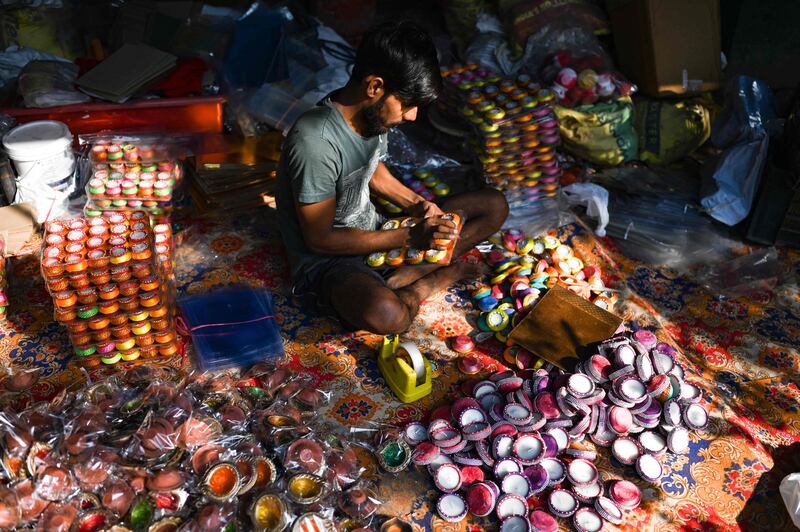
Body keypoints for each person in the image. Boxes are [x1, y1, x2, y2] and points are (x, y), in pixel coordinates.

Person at [276, 21, 508, 334]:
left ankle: (411, 268)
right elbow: (320, 239)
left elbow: (371, 169)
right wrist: (410, 239)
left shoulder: (368, 115)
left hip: (375, 230)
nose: (412, 116)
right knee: (387, 315)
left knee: (494, 205)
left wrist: (417, 205)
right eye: (408, 104)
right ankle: (432, 278)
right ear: (374, 87)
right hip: (330, 258)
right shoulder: (315, 141)